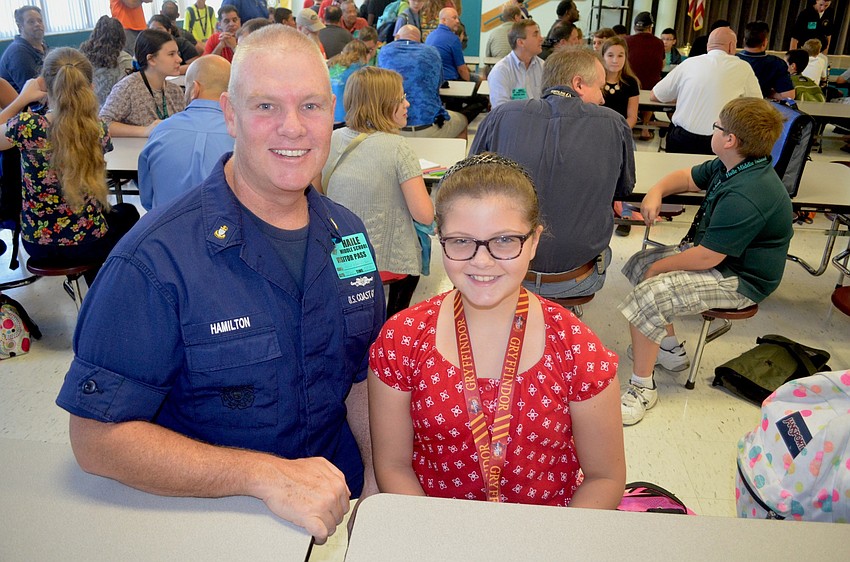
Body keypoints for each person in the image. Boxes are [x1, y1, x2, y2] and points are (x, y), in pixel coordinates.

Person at [56, 25, 384, 545]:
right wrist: (261, 475)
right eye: (266, 107)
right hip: (216, 523)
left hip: (336, 507)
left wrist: (376, 479)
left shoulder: (348, 235)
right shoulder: (154, 262)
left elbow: (361, 376)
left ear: (334, 113)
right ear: (230, 115)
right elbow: (96, 438)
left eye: (312, 106)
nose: (293, 128)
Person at [368, 152, 626, 507]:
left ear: (534, 241)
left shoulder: (576, 348)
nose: (482, 260)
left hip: (547, 533)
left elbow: (605, 477)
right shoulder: (402, 339)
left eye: (504, 240)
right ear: (439, 238)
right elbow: (393, 466)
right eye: (461, 240)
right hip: (436, 530)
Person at [618, 97, 793, 425]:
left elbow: (707, 256)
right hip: (718, 259)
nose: (713, 129)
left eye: (717, 126)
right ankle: (669, 350)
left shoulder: (748, 193)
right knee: (641, 264)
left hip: (741, 278)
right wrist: (655, 191)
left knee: (649, 291)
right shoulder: (735, 164)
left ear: (730, 140)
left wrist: (660, 270)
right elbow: (686, 177)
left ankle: (643, 388)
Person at [471, 47, 635, 300]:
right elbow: (623, 190)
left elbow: (469, 183)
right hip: (576, 277)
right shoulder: (613, 123)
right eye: (599, 88)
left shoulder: (501, 116)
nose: (602, 98)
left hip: (504, 270)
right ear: (578, 84)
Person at [0, 48, 140, 286]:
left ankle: (94, 287)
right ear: (90, 87)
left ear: (44, 84)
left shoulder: (27, 126)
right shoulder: (97, 130)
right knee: (127, 213)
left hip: (38, 244)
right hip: (89, 242)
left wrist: (23, 98)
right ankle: (102, 287)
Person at [323, 66, 434, 316]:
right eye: (400, 99)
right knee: (417, 249)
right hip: (386, 260)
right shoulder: (398, 147)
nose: (407, 103)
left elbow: (321, 198)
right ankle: (392, 323)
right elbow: (424, 215)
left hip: (339, 258)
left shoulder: (331, 139)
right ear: (382, 105)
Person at [138, 55, 234, 210]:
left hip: (164, 229)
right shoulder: (241, 136)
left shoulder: (161, 132)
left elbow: (147, 199)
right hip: (226, 231)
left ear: (194, 89)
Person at [652, 27, 761, 155]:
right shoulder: (743, 67)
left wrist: (683, 97)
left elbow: (656, 95)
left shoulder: (689, 63)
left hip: (682, 139)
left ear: (708, 46)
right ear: (732, 46)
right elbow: (757, 106)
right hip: (719, 142)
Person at [378, 25, 467, 139]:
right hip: (427, 126)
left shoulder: (384, 51)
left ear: (397, 37)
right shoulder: (432, 52)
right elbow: (439, 84)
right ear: (419, 40)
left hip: (392, 128)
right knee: (462, 121)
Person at [100, 29, 185, 138]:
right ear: (151, 59)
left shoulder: (175, 91)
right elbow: (102, 124)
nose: (179, 59)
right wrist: (144, 131)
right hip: (137, 153)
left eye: (177, 53)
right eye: (171, 54)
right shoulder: (128, 87)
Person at [487, 19, 544, 108]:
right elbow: (501, 110)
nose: (541, 39)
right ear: (521, 42)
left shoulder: (543, 67)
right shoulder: (501, 71)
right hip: (513, 120)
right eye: (535, 34)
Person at [80, 16, 134, 108]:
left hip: (87, 109)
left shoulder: (82, 56)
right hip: (114, 110)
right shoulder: (126, 60)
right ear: (121, 37)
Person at [626, 11, 664, 142]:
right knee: (652, 84)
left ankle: (628, 126)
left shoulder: (626, 40)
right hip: (650, 89)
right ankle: (645, 128)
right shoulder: (659, 43)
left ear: (635, 27)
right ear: (650, 27)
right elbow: (662, 64)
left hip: (629, 86)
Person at [736, 21, 795, 100]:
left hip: (732, 107)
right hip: (759, 107)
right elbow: (789, 96)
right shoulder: (776, 64)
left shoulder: (731, 60)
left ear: (744, 41)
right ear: (764, 43)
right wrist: (769, 93)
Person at [0, 6, 48, 93]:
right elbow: (33, 92)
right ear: (20, 26)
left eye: (40, 20)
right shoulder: (18, 52)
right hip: (28, 104)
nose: (37, 24)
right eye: (31, 22)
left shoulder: (43, 46)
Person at [328, 40, 370, 126]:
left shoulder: (332, 63)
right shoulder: (361, 68)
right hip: (346, 118)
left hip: (328, 114)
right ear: (365, 54)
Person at [425, 8, 473, 82]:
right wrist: (468, 84)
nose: (457, 21)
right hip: (450, 80)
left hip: (432, 80)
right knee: (479, 80)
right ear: (443, 20)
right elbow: (461, 70)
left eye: (457, 18)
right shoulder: (453, 39)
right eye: (454, 18)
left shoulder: (429, 36)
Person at [601, 36, 639, 129]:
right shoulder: (594, 80)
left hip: (621, 131)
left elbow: (632, 117)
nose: (615, 60)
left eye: (620, 56)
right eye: (610, 55)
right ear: (602, 57)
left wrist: (619, 132)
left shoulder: (631, 83)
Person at [486, 3, 523, 70]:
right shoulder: (522, 33)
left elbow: (488, 56)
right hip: (516, 70)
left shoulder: (494, 33)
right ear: (516, 17)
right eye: (520, 17)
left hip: (496, 68)